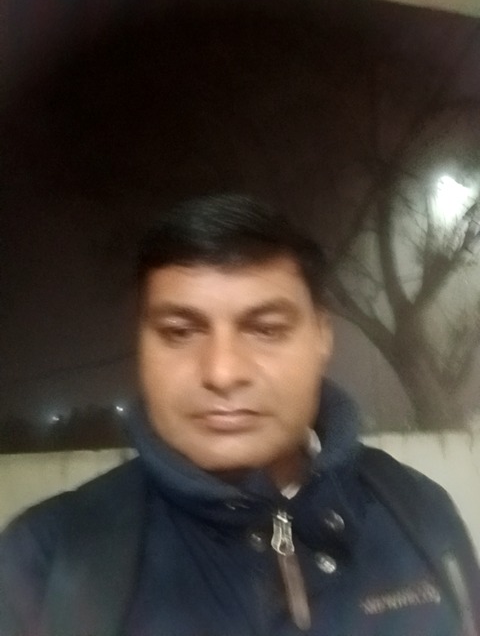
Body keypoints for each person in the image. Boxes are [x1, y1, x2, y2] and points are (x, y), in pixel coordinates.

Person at [0, 193, 479, 636]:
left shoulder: (419, 514)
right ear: (140, 347)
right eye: (180, 332)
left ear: (322, 337)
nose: (223, 372)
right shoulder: (48, 561)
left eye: (266, 330)